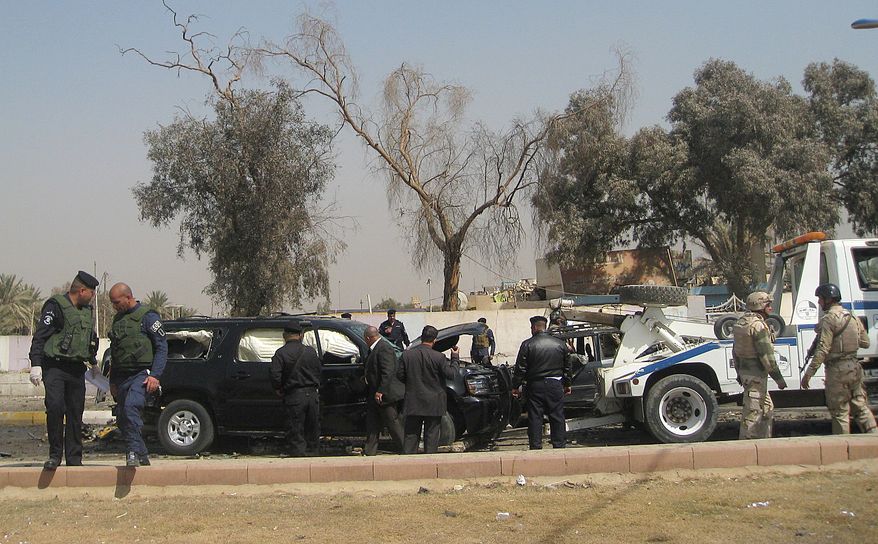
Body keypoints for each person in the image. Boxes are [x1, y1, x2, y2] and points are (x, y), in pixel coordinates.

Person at [28, 270, 100, 470]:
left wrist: (93, 362)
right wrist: (36, 364)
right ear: (82, 290)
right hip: (55, 367)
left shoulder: (87, 311)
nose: (93, 296)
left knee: (76, 413)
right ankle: (54, 456)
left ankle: (74, 458)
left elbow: (88, 339)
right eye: (92, 292)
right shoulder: (55, 306)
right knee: (55, 408)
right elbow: (40, 337)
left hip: (76, 368)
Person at [801, 283, 877, 434]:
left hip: (837, 370)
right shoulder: (852, 316)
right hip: (855, 367)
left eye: (820, 299)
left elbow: (822, 349)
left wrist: (808, 374)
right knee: (861, 407)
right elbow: (865, 342)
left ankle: (843, 448)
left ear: (828, 299)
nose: (818, 302)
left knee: (840, 412)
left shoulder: (829, 319)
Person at [107, 283, 168, 467]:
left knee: (131, 408)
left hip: (142, 373)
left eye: (116, 302)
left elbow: (162, 347)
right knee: (123, 417)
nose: (115, 306)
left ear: (128, 297)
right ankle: (142, 455)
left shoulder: (148, 317)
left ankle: (132, 452)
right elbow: (116, 351)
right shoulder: (118, 320)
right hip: (122, 375)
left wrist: (155, 375)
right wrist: (112, 381)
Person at [512, 315, 573, 450]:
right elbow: (567, 367)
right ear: (544, 327)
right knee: (557, 416)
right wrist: (568, 384)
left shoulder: (527, 344)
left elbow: (520, 368)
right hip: (555, 385)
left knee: (535, 417)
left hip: (535, 385)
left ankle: (536, 447)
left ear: (534, 328)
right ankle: (559, 446)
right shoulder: (560, 344)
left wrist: (515, 386)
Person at [732, 291, 787, 439]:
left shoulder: (742, 323)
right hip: (756, 377)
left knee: (767, 408)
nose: (771, 308)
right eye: (768, 304)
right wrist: (779, 380)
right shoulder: (758, 326)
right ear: (761, 306)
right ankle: (747, 447)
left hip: (746, 374)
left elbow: (735, 352)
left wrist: (738, 372)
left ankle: (764, 443)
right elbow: (767, 357)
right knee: (753, 414)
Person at [397, 325, 457, 453]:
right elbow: (451, 374)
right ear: (434, 340)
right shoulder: (439, 357)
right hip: (434, 402)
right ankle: (429, 466)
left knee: (411, 436)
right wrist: (455, 358)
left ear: (422, 337)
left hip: (413, 401)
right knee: (432, 436)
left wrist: (412, 383)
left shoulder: (407, 355)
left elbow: (400, 375)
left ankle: (407, 465)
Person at [269, 321, 323, 456]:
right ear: (301, 335)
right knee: (313, 428)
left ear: (284, 335)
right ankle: (313, 454)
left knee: (295, 429)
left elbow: (275, 375)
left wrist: (278, 388)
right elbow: (319, 370)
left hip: (294, 396)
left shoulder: (280, 353)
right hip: (312, 395)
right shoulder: (310, 351)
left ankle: (299, 456)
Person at [362, 326, 405, 455]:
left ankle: (406, 448)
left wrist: (381, 391)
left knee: (392, 422)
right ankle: (370, 451)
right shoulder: (375, 349)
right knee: (373, 423)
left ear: (369, 338)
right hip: (374, 393)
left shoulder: (384, 348)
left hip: (385, 394)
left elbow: (388, 372)